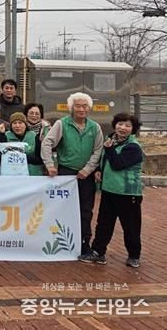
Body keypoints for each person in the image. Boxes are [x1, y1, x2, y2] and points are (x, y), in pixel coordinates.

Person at [41, 92, 104, 254]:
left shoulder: (95, 127)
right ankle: (59, 242)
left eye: (85, 106)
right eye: (77, 106)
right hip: (66, 174)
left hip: (86, 175)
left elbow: (98, 150)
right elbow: (47, 143)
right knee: (62, 208)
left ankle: (84, 243)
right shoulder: (62, 124)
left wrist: (88, 169)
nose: (81, 109)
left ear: (89, 108)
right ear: (71, 108)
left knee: (86, 210)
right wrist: (50, 165)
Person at [79, 113, 144, 268]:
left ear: (133, 129)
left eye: (127, 125)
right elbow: (105, 160)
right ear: (115, 125)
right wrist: (99, 170)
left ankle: (134, 255)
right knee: (104, 224)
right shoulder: (111, 140)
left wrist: (109, 149)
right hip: (109, 191)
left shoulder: (133, 147)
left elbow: (117, 164)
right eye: (120, 124)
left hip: (128, 193)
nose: (123, 128)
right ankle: (98, 252)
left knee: (131, 227)